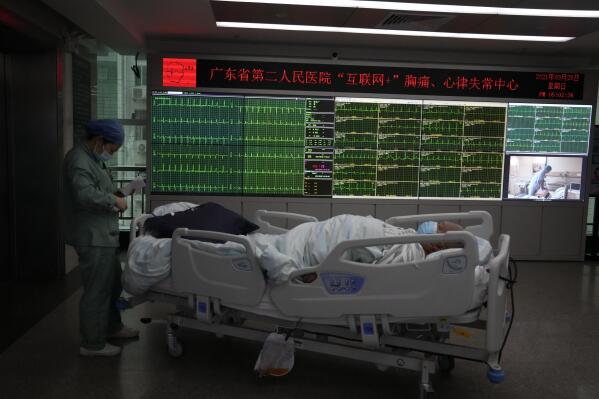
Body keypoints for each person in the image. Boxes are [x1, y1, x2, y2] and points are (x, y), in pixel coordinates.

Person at [64, 119, 138, 356]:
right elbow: (84, 194)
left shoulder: (94, 159)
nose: (111, 154)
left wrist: (122, 192)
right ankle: (92, 344)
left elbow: (99, 190)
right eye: (112, 149)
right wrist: (113, 200)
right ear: (99, 141)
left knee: (112, 284)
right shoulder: (79, 160)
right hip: (92, 236)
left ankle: (112, 327)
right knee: (97, 290)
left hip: (104, 235)